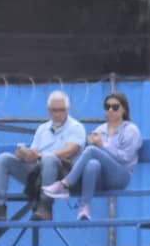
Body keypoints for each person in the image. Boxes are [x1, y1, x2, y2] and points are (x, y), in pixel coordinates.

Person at [0, 89, 83, 223]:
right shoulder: (42, 129)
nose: (57, 114)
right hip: (38, 173)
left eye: (61, 110)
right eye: (54, 110)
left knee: (49, 159)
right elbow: (34, 153)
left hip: (63, 176)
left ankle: (45, 206)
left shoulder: (76, 127)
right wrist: (24, 155)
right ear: (49, 110)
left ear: (68, 109)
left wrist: (41, 155)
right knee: (4, 158)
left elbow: (70, 151)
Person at [47, 90, 141, 221]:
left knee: (92, 151)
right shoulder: (100, 129)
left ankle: (64, 184)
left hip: (121, 175)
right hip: (101, 178)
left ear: (124, 109)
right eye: (107, 107)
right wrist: (89, 142)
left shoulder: (131, 130)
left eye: (115, 107)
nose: (110, 110)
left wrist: (102, 145)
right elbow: (86, 154)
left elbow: (125, 158)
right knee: (92, 164)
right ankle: (84, 209)